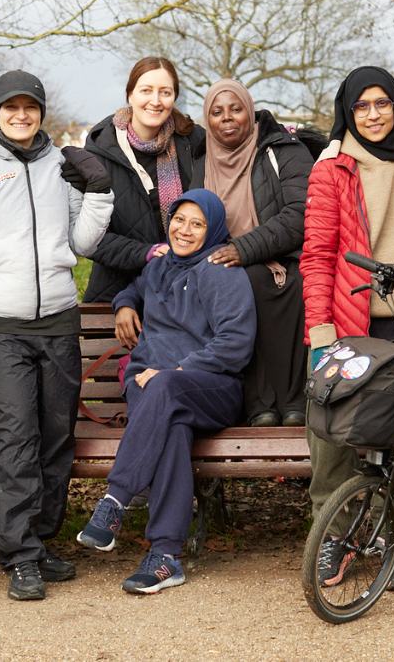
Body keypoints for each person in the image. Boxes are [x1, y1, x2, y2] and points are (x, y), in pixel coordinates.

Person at [0, 70, 114, 601]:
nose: (21, 116)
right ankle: (17, 553)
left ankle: (38, 542)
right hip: (3, 326)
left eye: (30, 107)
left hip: (61, 319)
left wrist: (100, 191)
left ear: (41, 111)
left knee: (55, 435)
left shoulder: (60, 164)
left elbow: (82, 243)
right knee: (14, 438)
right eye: (10, 108)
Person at [300, 66, 394, 592]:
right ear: (348, 112)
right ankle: (334, 535)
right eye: (362, 106)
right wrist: (321, 330)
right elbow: (316, 256)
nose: (374, 114)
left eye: (383, 103)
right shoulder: (331, 170)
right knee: (332, 436)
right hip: (348, 322)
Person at [76, 189, 256, 594]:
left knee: (166, 389)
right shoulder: (159, 268)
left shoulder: (221, 271)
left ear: (212, 232)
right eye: (179, 220)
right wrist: (124, 303)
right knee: (172, 428)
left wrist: (178, 369)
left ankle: (115, 501)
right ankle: (166, 556)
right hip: (152, 386)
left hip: (212, 388)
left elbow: (236, 343)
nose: (185, 230)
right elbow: (135, 289)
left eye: (197, 224)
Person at [194, 79, 312, 427]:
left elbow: (300, 213)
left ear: (251, 111)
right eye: (216, 112)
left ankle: (295, 401)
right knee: (239, 284)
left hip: (285, 255)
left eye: (236, 109)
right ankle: (259, 405)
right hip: (225, 261)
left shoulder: (284, 149)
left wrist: (244, 249)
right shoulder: (199, 160)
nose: (227, 118)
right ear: (207, 119)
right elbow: (192, 217)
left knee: (288, 284)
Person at [82, 57, 205, 303]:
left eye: (165, 92)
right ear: (130, 95)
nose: (155, 101)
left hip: (184, 288)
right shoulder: (99, 151)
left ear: (174, 97)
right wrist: (147, 253)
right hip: (116, 289)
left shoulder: (195, 142)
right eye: (146, 90)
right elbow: (90, 237)